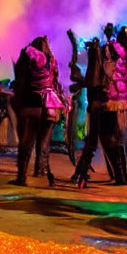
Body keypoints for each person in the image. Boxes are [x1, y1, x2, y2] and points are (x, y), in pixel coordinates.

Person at [11, 36, 68, 187]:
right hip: (50, 106)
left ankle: (22, 177)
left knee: (26, 143)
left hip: (32, 103)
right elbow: (56, 82)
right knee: (43, 143)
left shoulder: (28, 56)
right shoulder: (52, 60)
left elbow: (21, 80)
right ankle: (41, 175)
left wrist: (17, 101)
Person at [74, 30, 127, 187]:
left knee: (106, 139)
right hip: (120, 102)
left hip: (106, 100)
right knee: (114, 139)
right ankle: (121, 176)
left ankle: (119, 176)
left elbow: (99, 74)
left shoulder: (108, 50)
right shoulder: (123, 55)